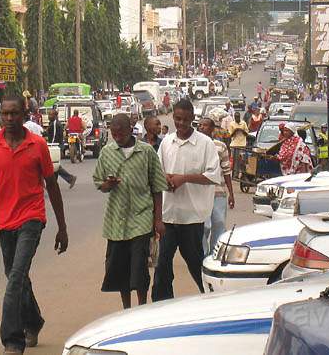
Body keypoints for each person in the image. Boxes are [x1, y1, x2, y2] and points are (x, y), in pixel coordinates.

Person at [0, 96, 68, 355]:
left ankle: (12, 341)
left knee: (15, 278)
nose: (9, 119)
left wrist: (62, 226)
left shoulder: (37, 145)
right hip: (4, 221)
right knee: (17, 276)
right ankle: (34, 321)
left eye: (14, 113)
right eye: (4, 114)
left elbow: (52, 185)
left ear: (24, 114)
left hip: (32, 218)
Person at [93, 114, 167, 309]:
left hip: (141, 219)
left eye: (121, 133)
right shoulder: (107, 152)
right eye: (114, 134)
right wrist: (107, 184)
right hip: (116, 221)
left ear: (130, 129)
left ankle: (142, 306)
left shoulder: (147, 152)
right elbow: (99, 182)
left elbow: (157, 187)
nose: (117, 137)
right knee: (120, 268)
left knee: (140, 269)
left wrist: (158, 219)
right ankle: (127, 309)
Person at [151, 99, 222, 301]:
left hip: (192, 217)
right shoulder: (167, 142)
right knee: (162, 265)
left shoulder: (205, 144)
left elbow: (212, 176)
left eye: (185, 119)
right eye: (177, 119)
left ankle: (211, 300)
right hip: (168, 216)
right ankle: (161, 305)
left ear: (192, 119)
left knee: (196, 263)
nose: (180, 123)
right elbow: (157, 171)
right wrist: (165, 178)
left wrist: (185, 178)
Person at [197, 117, 234, 256]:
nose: (201, 127)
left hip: (218, 192)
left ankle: (215, 253)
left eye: (205, 125)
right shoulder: (195, 146)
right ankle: (203, 254)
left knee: (219, 223)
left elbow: (226, 170)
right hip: (200, 193)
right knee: (204, 226)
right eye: (199, 125)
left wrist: (231, 193)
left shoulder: (220, 146)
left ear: (212, 129)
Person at [46, 109, 77, 188]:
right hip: (57, 146)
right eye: (48, 115)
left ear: (55, 116)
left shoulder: (55, 124)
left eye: (50, 115)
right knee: (54, 166)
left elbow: (54, 138)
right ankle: (54, 184)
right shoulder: (53, 123)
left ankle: (69, 178)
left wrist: (50, 146)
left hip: (55, 146)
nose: (49, 116)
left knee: (54, 166)